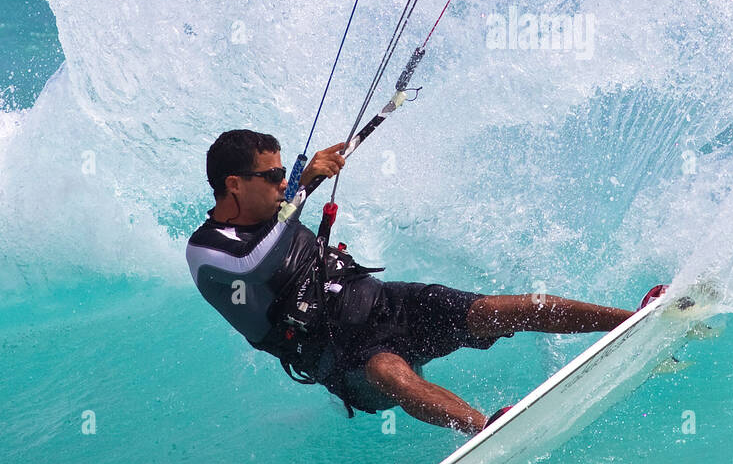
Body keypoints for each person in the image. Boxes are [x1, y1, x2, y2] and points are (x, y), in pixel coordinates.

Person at [186, 129, 656, 434]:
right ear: (234, 185)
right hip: (338, 354)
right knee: (389, 371)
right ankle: (486, 428)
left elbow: (287, 207)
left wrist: (313, 174)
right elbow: (254, 262)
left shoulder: (276, 203)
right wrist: (305, 186)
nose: (281, 183)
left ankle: (632, 319)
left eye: (283, 173)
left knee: (498, 310)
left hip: (381, 303)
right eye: (272, 176)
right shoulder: (208, 250)